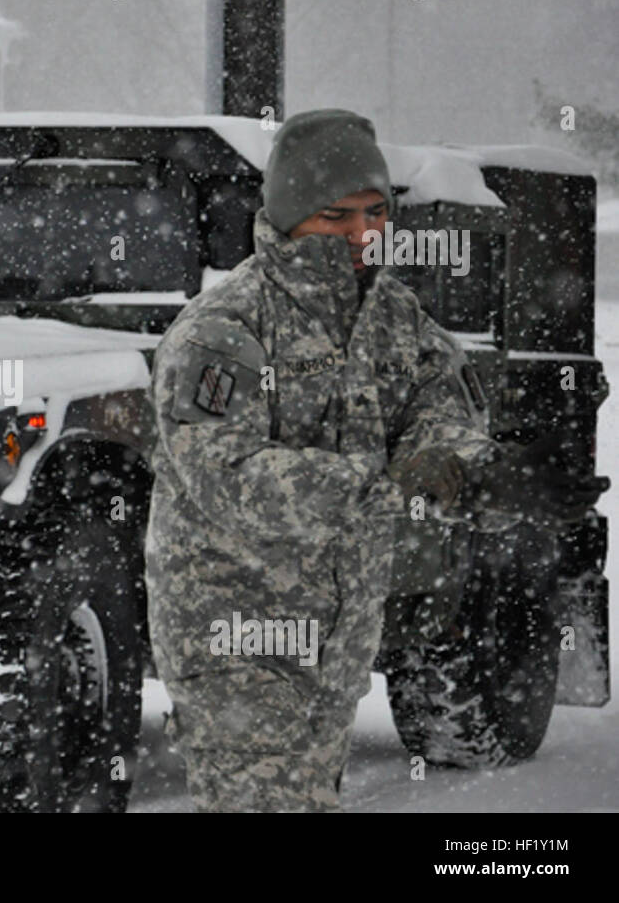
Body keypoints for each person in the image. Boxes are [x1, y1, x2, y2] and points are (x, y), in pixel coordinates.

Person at [145, 108, 603, 812]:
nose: (362, 233)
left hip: (340, 636)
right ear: (291, 213)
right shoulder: (223, 329)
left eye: (374, 211)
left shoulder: (393, 317)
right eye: (337, 214)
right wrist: (388, 488)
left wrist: (483, 474)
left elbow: (437, 414)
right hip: (237, 638)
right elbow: (228, 476)